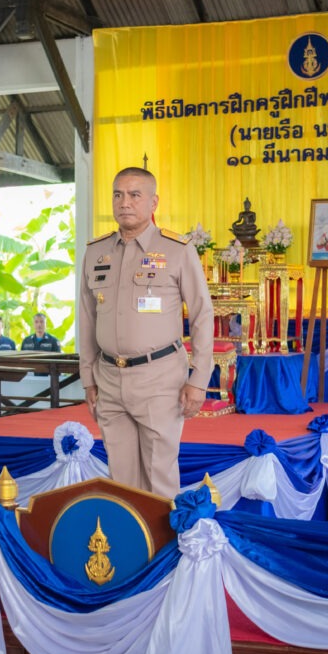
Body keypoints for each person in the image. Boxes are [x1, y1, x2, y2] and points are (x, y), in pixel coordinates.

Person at [78, 166, 214, 499]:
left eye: (134, 195)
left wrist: (199, 379)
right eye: (118, 195)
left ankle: (163, 535)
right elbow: (87, 318)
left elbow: (202, 314)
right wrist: (88, 378)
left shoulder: (177, 249)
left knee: (159, 476)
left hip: (159, 377)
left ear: (153, 202)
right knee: (121, 478)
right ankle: (129, 535)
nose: (124, 202)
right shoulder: (96, 252)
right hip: (109, 378)